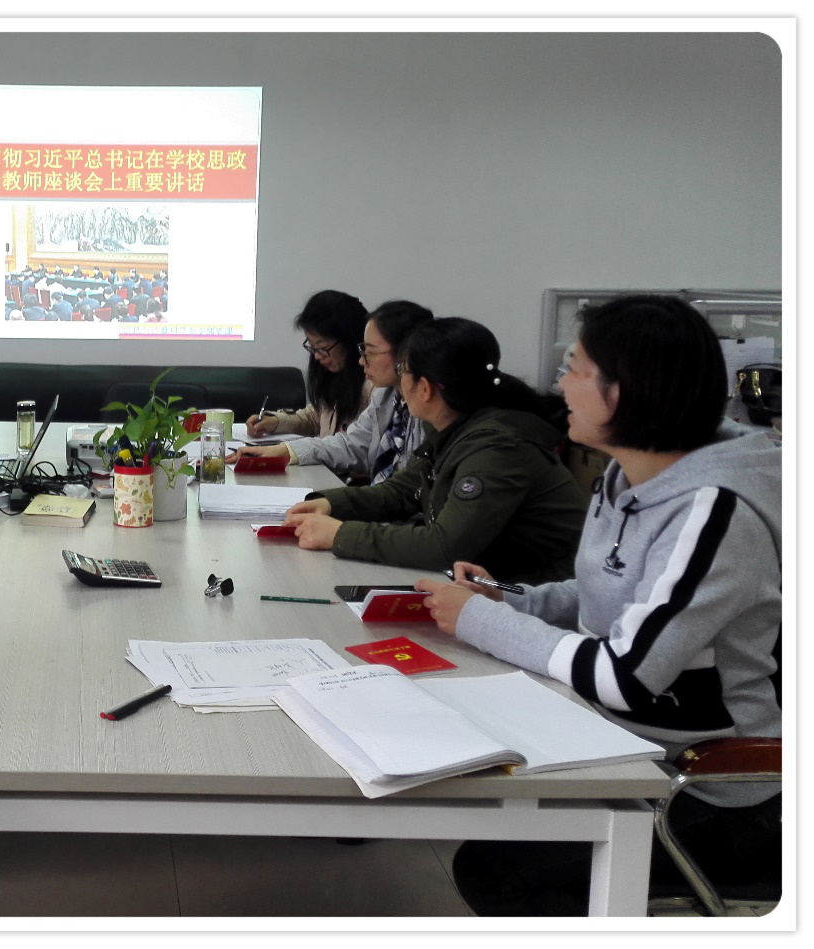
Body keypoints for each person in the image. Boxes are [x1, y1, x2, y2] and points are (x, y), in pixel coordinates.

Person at [415, 296, 781, 916]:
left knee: (497, 871)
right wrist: (509, 599)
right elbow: (600, 596)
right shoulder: (625, 479)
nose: (560, 383)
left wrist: (480, 620)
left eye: (574, 368)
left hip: (708, 789)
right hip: (619, 744)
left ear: (625, 390)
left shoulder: (714, 511)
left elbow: (626, 677)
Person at [283, 317, 586, 584]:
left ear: (425, 388)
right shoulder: (453, 427)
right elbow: (401, 492)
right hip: (487, 588)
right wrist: (329, 503)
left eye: (402, 370)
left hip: (537, 602)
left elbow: (444, 546)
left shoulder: (498, 447)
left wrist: (340, 534)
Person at [230, 300, 433, 484]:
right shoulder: (386, 396)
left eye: (370, 351)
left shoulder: (420, 407)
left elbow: (407, 489)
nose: (362, 360)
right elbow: (351, 444)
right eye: (313, 347)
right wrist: (285, 449)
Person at [246, 290, 372, 439]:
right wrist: (275, 422)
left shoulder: (374, 386)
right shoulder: (335, 375)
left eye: (323, 347)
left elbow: (353, 446)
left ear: (350, 341)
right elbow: (315, 417)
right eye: (312, 347)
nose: (317, 356)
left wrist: (290, 450)